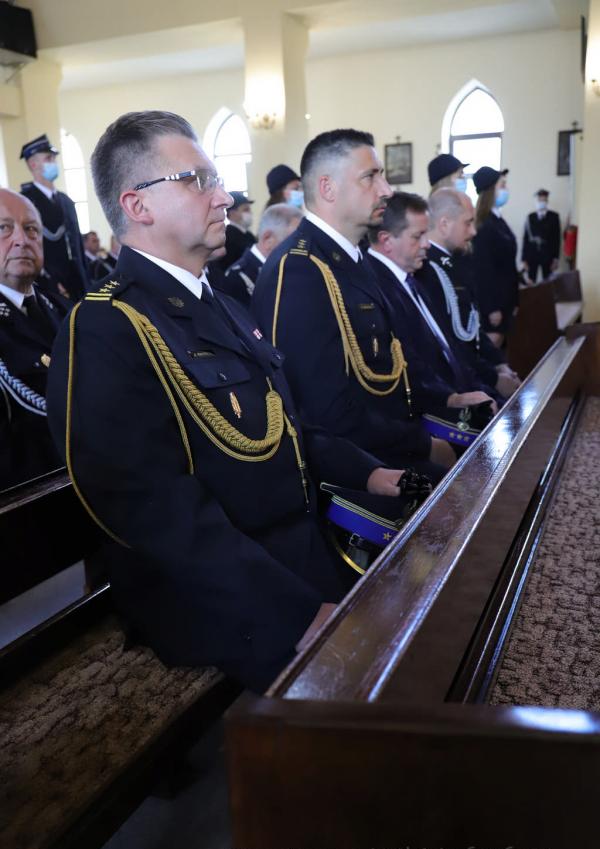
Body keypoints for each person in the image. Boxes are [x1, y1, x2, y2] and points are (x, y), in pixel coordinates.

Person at [46, 110, 409, 693]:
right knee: (392, 686)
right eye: (198, 181)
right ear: (138, 205)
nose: (223, 197)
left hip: (296, 552)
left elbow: (285, 429)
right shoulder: (106, 327)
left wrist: (369, 472)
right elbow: (156, 513)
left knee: (426, 602)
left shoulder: (219, 305)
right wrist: (295, 610)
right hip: (219, 598)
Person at [253, 129, 455, 480]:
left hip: (391, 443)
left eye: (382, 176)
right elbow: (324, 412)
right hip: (360, 470)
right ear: (328, 188)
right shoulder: (300, 270)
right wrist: (422, 445)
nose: (386, 190)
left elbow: (391, 365)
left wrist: (446, 402)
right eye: (370, 177)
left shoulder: (353, 258)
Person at [367, 192, 497, 441]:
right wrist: (453, 398)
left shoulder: (411, 278)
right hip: (429, 414)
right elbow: (407, 363)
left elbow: (448, 347)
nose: (427, 244)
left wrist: (481, 389)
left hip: (455, 395)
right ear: (387, 241)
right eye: (418, 236)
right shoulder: (377, 287)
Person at [419, 188, 521, 399]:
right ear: (444, 224)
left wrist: (499, 363)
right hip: (458, 385)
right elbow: (451, 344)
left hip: (474, 373)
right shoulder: (427, 270)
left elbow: (472, 329)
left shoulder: (455, 262)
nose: (474, 231)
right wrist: (493, 379)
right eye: (468, 223)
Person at [0, 188, 68, 490]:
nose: (22, 240)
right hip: (30, 494)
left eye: (31, 229)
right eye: (3, 228)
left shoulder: (66, 309)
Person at [20, 134, 88, 301]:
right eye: (48, 158)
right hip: (49, 284)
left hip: (77, 281)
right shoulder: (25, 201)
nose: (54, 163)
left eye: (54, 158)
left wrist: (85, 278)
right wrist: (48, 279)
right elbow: (27, 245)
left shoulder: (66, 201)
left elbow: (77, 245)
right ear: (33, 164)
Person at [471, 166, 519, 347]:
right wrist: (491, 308)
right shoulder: (484, 224)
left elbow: (508, 263)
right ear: (490, 190)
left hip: (505, 299)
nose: (506, 190)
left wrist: (515, 299)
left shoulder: (498, 219)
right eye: (502, 185)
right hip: (494, 304)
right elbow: (483, 269)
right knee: (492, 349)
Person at [224, 204, 301, 306]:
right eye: (294, 241)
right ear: (268, 239)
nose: (301, 248)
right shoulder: (237, 279)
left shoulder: (287, 268)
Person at [522, 189, 561, 282]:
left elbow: (557, 239)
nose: (542, 202)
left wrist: (556, 259)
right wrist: (524, 259)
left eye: (544, 200)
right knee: (531, 282)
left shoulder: (554, 217)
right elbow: (526, 238)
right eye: (540, 200)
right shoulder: (530, 217)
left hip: (548, 254)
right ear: (536, 201)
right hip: (532, 254)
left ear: (547, 201)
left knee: (548, 282)